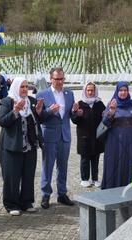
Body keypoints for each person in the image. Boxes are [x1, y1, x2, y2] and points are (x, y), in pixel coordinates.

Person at [0, 77, 44, 216]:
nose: (25, 89)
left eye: (26, 87)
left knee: (28, 174)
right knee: (12, 176)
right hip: (13, 146)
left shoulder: (32, 101)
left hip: (30, 145)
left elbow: (38, 121)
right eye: (22, 87)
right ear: (16, 87)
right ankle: (11, 204)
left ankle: (26, 202)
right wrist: (15, 111)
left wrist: (40, 112)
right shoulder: (8, 101)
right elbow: (2, 121)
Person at [36, 67, 76, 209]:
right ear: (50, 79)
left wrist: (77, 113)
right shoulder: (42, 94)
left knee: (63, 166)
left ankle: (62, 194)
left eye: (61, 79)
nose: (59, 82)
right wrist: (48, 111)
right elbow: (39, 118)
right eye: (56, 79)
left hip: (65, 135)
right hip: (50, 136)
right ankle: (45, 194)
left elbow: (72, 116)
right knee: (48, 166)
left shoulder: (69, 94)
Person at [101, 81, 132, 190]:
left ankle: (130, 191)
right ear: (117, 91)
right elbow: (104, 123)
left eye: (125, 90)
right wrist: (112, 112)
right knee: (114, 165)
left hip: (130, 141)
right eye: (121, 90)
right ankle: (112, 190)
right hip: (114, 142)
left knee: (130, 164)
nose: (123, 93)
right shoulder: (112, 103)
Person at [71, 82, 106, 188]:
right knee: (85, 158)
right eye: (88, 90)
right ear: (85, 91)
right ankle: (85, 178)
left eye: (92, 90)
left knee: (95, 158)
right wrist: (77, 114)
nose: (90, 92)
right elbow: (74, 120)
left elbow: (104, 118)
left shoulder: (99, 104)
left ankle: (95, 178)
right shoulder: (80, 104)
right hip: (84, 136)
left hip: (97, 136)